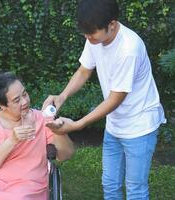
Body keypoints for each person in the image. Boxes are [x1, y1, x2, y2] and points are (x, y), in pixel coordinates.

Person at [42, 0, 166, 199]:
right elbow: (84, 71)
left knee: (135, 189)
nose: (87, 37)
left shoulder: (128, 49)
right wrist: (62, 95)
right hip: (115, 124)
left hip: (140, 126)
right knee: (110, 183)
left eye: (91, 33)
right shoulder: (95, 38)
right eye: (85, 33)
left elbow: (116, 98)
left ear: (112, 25)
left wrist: (78, 125)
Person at [0, 72, 74, 200]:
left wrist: (59, 132)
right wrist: (12, 140)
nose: (25, 101)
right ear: (2, 105)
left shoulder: (43, 120)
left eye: (25, 93)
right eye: (17, 100)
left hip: (27, 184)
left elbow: (66, 155)